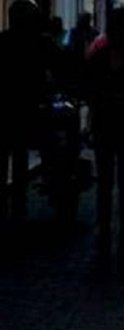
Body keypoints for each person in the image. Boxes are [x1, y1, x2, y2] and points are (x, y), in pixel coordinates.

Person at [87, 8, 124, 258]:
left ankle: (120, 226)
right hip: (109, 125)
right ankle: (108, 225)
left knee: (120, 180)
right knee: (111, 180)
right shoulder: (107, 57)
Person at [0, 0, 51, 223]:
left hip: (7, 109)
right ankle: (18, 205)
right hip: (26, 109)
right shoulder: (39, 43)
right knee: (19, 158)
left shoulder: (3, 41)